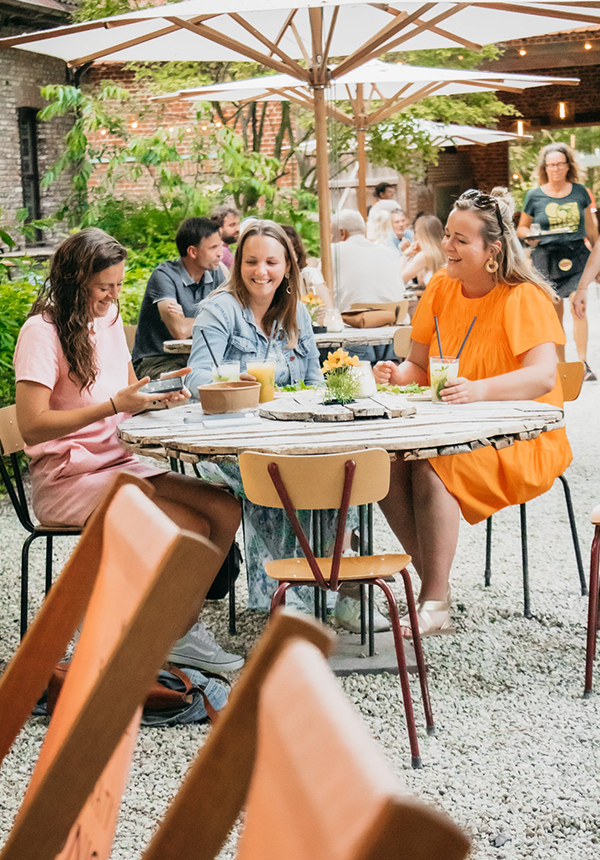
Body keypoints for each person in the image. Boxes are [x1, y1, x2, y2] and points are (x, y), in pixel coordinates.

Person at [13, 228, 243, 671]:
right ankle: (159, 630)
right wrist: (115, 405)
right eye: (103, 287)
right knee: (191, 526)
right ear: (73, 280)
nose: (112, 296)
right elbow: (32, 425)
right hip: (69, 477)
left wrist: (155, 395)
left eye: (118, 286)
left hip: (119, 461)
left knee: (224, 508)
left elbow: (118, 394)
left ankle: (178, 631)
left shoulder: (109, 317)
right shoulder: (41, 332)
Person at [374, 188, 572, 638]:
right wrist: (396, 374)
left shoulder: (522, 296)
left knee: (431, 466)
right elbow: (419, 366)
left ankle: (435, 602)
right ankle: (435, 589)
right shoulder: (441, 287)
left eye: (461, 240)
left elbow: (543, 377)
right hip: (455, 424)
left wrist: (477, 390)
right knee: (383, 464)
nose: (446, 246)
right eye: (447, 235)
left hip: (522, 437)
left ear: (492, 251)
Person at [518, 142, 597, 381]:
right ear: (545, 168)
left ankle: (582, 363)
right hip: (546, 255)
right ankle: (562, 365)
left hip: (575, 254)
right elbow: (521, 228)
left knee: (578, 305)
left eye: (560, 164)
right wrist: (529, 238)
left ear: (568, 166)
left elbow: (593, 232)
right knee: (554, 313)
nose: (555, 169)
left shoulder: (580, 192)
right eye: (550, 165)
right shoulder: (534, 195)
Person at [132, 217, 225, 380]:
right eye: (213, 248)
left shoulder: (215, 273)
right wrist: (212, 318)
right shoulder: (164, 276)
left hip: (197, 359)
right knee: (191, 383)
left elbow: (231, 318)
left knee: (231, 377)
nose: (220, 253)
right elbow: (180, 331)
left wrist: (189, 320)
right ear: (192, 252)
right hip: (156, 361)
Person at [331, 210, 404, 312]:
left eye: (331, 234)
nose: (330, 238)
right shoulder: (389, 252)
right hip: (393, 321)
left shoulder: (333, 251)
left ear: (342, 232)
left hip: (350, 322)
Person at [280, 224, 333, 319]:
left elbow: (329, 312)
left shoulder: (310, 275)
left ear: (296, 253)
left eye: (290, 251)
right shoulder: (268, 281)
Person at [399, 214, 445, 288]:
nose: (413, 236)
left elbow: (400, 279)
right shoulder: (445, 250)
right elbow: (421, 282)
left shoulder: (424, 256)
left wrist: (405, 254)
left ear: (421, 234)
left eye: (415, 232)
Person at [210, 204, 240, 271]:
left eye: (238, 224)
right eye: (232, 225)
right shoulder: (222, 252)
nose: (238, 229)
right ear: (219, 229)